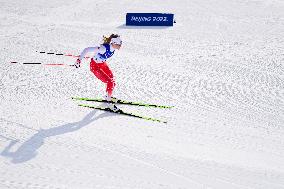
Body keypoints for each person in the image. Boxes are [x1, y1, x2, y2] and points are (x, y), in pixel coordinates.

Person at [75, 34, 122, 111]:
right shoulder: (103, 48)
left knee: (112, 81)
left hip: (102, 64)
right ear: (113, 43)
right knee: (110, 82)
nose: (120, 46)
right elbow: (87, 49)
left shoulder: (113, 47)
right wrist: (79, 59)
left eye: (121, 43)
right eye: (119, 44)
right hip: (95, 67)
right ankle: (108, 103)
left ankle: (108, 96)